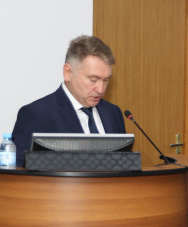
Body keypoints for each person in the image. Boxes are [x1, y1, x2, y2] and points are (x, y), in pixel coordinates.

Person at [11, 35, 126, 167]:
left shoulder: (113, 113)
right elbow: (19, 171)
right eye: (93, 80)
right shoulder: (37, 115)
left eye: (106, 80)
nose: (101, 89)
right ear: (68, 72)